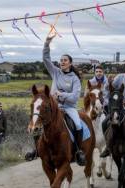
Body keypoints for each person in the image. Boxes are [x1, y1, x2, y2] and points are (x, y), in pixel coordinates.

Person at [41, 33, 85, 165]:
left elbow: (74, 97)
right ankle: (37, 150)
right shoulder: (55, 72)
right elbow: (46, 59)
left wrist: (61, 94)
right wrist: (46, 44)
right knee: (40, 121)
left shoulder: (75, 79)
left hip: (69, 108)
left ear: (70, 63)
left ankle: (78, 151)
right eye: (61, 60)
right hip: (54, 107)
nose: (62, 62)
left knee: (78, 124)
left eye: (65, 60)